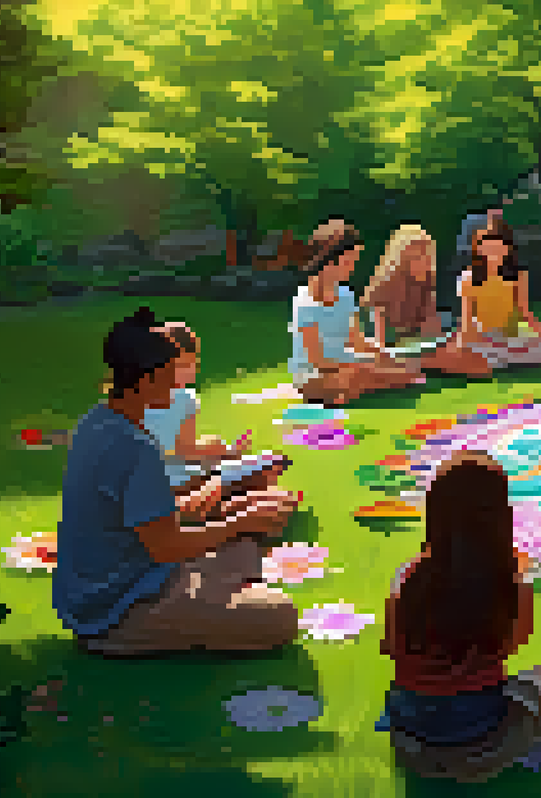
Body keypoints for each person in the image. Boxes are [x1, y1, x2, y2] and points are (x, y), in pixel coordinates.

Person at [58, 307, 300, 657]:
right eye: (170, 375)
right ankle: (135, 635)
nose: (177, 385)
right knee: (279, 616)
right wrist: (237, 521)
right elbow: (167, 546)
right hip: (120, 606)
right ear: (144, 379)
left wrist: (214, 507)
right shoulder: (133, 446)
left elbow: (126, 514)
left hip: (118, 581)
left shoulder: (95, 423)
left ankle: (221, 593)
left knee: (243, 539)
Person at [379, 451, 541, 782]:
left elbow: (390, 645)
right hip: (484, 746)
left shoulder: (408, 577)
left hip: (408, 743)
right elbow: (513, 644)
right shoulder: (508, 582)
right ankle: (525, 740)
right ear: (501, 516)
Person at [287, 220, 428, 406]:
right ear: (329, 259)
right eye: (348, 261)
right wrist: (363, 365)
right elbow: (318, 360)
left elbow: (356, 340)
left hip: (348, 366)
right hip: (313, 375)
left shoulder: (345, 294)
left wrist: (382, 353)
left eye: (354, 260)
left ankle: (368, 384)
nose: (352, 266)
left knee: (388, 367)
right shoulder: (306, 301)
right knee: (355, 374)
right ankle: (372, 383)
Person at [143, 322, 290, 498]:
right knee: (270, 464)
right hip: (176, 481)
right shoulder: (183, 398)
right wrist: (224, 452)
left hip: (144, 484)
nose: (192, 371)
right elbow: (186, 453)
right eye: (185, 365)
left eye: (193, 363)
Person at [435, 218, 541, 375]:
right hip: (482, 336)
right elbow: (467, 321)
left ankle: (503, 358)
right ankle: (498, 359)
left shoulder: (518, 276)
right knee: (479, 352)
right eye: (489, 247)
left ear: (508, 249)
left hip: (510, 336)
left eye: (499, 247)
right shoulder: (468, 278)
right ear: (479, 249)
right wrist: (472, 343)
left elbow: (524, 313)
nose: (494, 253)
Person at [363, 224, 442, 351]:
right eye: (418, 257)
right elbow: (379, 345)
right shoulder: (383, 290)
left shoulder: (425, 289)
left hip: (410, 354)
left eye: (428, 256)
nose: (426, 263)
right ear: (401, 260)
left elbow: (431, 337)